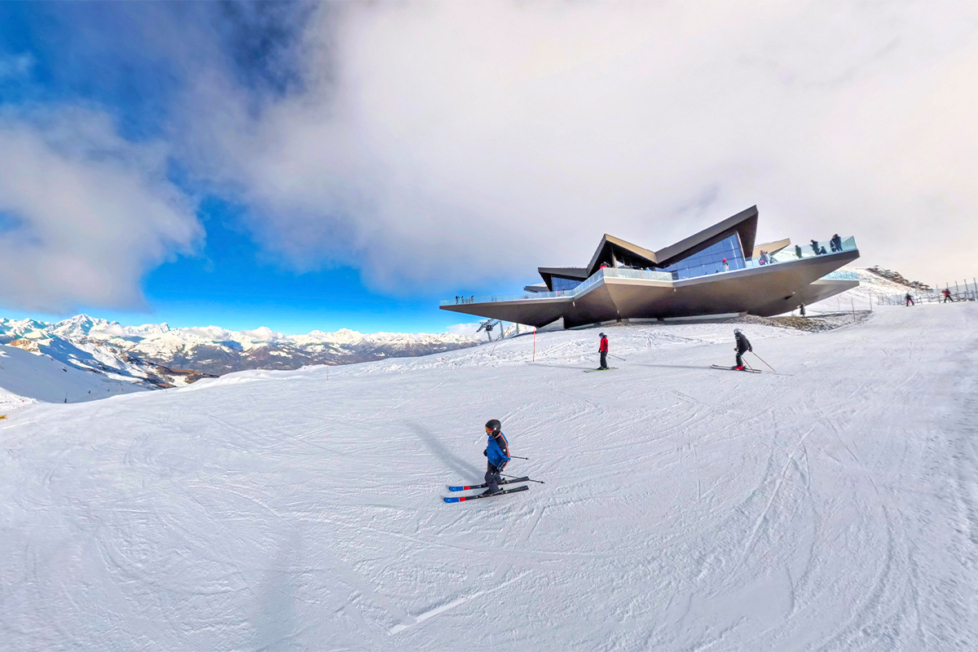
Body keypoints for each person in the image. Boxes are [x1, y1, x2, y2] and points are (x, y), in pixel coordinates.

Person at [482, 419, 511, 495]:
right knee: (492, 474)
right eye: (486, 429)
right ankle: (497, 482)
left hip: (497, 463)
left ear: (496, 430)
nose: (487, 432)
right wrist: (487, 451)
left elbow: (506, 458)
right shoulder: (492, 436)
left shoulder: (500, 442)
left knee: (488, 477)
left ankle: (494, 490)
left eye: (489, 430)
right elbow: (491, 446)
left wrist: (499, 467)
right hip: (492, 459)